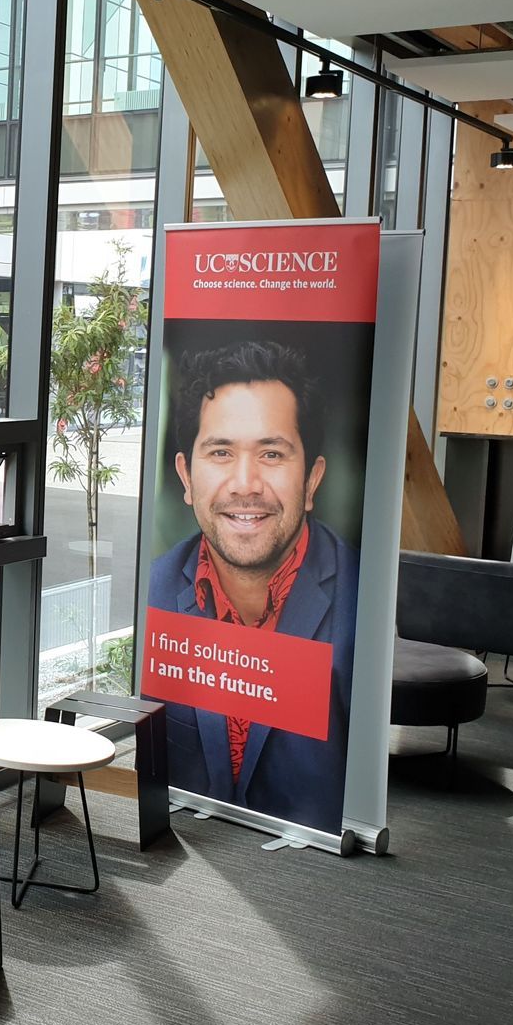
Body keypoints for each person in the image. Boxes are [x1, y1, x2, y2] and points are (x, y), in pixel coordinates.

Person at [146, 339, 355, 836]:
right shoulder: (150, 595)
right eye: (220, 452)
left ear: (311, 481)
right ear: (186, 476)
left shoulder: (360, 605)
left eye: (272, 453)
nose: (246, 483)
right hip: (187, 859)